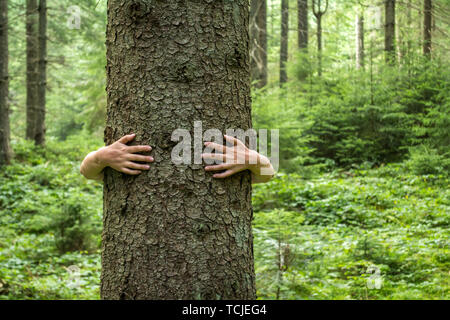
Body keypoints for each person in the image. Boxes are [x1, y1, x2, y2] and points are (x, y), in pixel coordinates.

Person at [80, 133, 275, 184]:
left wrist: (255, 160)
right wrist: (101, 156)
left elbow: (267, 175)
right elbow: (86, 171)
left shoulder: (237, 161)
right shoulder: (120, 158)